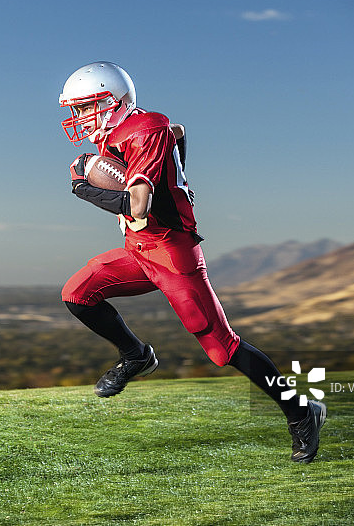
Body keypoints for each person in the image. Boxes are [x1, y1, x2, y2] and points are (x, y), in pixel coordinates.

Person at [58, 61, 326, 463]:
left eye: (85, 107)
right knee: (77, 294)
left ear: (114, 101)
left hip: (171, 253)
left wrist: (83, 188)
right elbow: (178, 133)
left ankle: (302, 411)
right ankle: (136, 355)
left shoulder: (145, 128)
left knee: (223, 347)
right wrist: (178, 174)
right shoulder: (129, 130)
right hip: (139, 251)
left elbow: (138, 207)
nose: (79, 117)